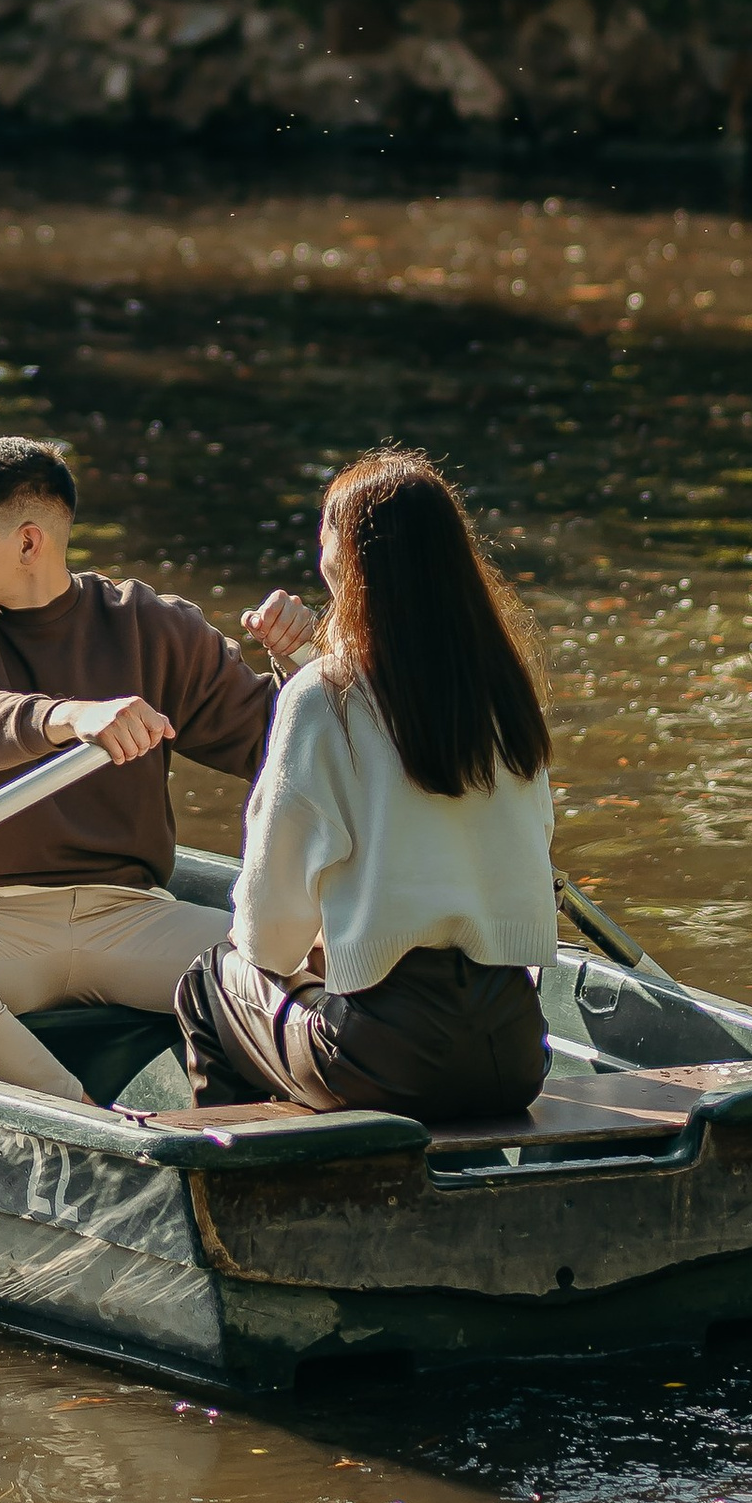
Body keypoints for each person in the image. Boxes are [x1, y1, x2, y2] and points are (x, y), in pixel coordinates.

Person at [0, 435, 320, 1101]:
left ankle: (314, 1116)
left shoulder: (150, 625)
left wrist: (305, 666)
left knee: (309, 959)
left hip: (131, 915)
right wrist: (69, 717)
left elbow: (284, 747)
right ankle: (92, 1129)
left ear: (29, 543)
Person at [173, 447, 555, 1123]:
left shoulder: (323, 695)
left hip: (392, 1057)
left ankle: (247, 1188)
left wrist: (313, 955)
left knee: (211, 980)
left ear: (348, 557)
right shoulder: (504, 689)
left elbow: (267, 933)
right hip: (516, 1050)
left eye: (325, 527)